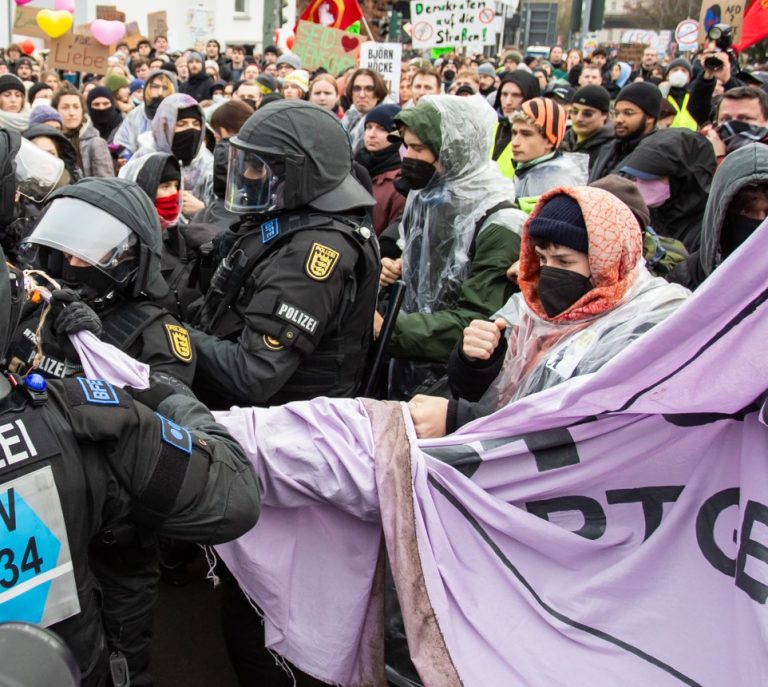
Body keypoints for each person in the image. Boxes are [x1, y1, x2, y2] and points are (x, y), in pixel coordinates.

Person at [0, 182, 260, 687]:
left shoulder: (158, 332)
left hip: (120, 527)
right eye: (65, 251)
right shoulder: (44, 307)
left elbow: (157, 426)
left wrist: (104, 358)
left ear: (131, 259)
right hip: (53, 515)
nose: (73, 264)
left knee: (121, 647)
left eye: (89, 254)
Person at [408, 186, 689, 437]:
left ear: (607, 261)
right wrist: (475, 361)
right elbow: (477, 391)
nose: (549, 273)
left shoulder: (642, 323)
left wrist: (458, 420)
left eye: (564, 261)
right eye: (542, 259)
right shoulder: (529, 308)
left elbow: (575, 430)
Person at [188, 99, 380, 409]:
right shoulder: (290, 219)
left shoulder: (313, 250)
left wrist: (168, 333)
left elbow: (253, 375)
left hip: (285, 421)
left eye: (256, 167)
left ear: (298, 174)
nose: (246, 175)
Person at [381, 95, 527, 399]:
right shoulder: (427, 197)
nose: (408, 157)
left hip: (456, 388)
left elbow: (477, 321)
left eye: (419, 149)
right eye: (406, 147)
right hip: (407, 365)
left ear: (452, 152)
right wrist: (396, 272)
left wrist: (387, 328)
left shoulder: (500, 224)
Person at [668, 143, 768, 290]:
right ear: (721, 213)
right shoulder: (685, 280)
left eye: (767, 214)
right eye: (747, 211)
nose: (759, 221)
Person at [618, 127, 715, 250]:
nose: (640, 184)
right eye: (637, 177)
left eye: (650, 178)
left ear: (681, 179)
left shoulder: (708, 228)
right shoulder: (645, 214)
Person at [132, 93, 214, 210]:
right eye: (181, 124)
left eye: (196, 124)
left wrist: (202, 209)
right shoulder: (144, 158)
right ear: (165, 127)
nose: (191, 129)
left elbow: (220, 210)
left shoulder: (207, 162)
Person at [511, 97, 588, 201]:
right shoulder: (531, 168)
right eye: (514, 133)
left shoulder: (554, 182)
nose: (515, 142)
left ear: (549, 141)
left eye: (526, 134)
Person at [589, 81, 662, 181]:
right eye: (616, 113)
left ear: (650, 117)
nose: (618, 119)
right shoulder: (608, 148)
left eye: (628, 113)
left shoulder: (657, 157)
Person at [354, 103, 405, 235]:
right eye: (368, 127)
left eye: (382, 129)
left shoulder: (400, 182)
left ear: (397, 134)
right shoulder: (353, 166)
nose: (371, 134)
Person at [52, 83, 114, 178]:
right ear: (55, 110)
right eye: (65, 107)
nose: (71, 113)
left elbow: (107, 183)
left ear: (82, 110)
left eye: (76, 107)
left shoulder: (96, 143)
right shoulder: (51, 141)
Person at [113, 69, 178, 157]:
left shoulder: (181, 115)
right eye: (155, 87)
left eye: (165, 88)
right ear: (148, 88)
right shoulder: (135, 115)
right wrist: (127, 157)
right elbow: (122, 142)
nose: (160, 92)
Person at [491, 70, 541, 179]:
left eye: (516, 95)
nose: (508, 102)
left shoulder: (539, 135)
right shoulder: (492, 127)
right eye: (504, 94)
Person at [703, 85, 768, 159]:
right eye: (726, 119)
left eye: (744, 118)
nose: (732, 124)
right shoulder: (701, 144)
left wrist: (719, 156)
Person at [561, 85, 614, 172]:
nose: (579, 118)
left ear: (604, 115)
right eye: (574, 111)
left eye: (587, 114)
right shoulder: (562, 140)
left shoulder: (612, 149)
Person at [341, 68, 389, 153]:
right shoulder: (349, 116)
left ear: (378, 93)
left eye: (369, 89)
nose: (362, 95)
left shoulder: (389, 120)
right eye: (357, 88)